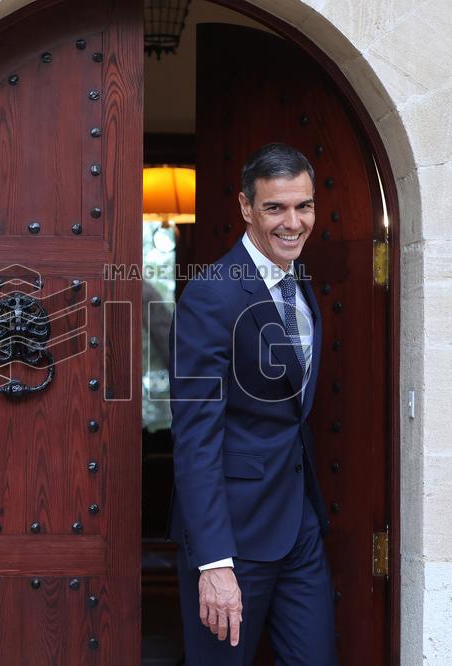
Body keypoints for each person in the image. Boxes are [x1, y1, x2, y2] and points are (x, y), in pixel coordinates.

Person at [167, 143, 336, 664]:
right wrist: (213, 562)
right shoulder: (211, 295)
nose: (293, 223)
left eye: (304, 206)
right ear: (245, 207)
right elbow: (196, 436)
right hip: (232, 538)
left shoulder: (298, 282)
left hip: (299, 527)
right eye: (275, 208)